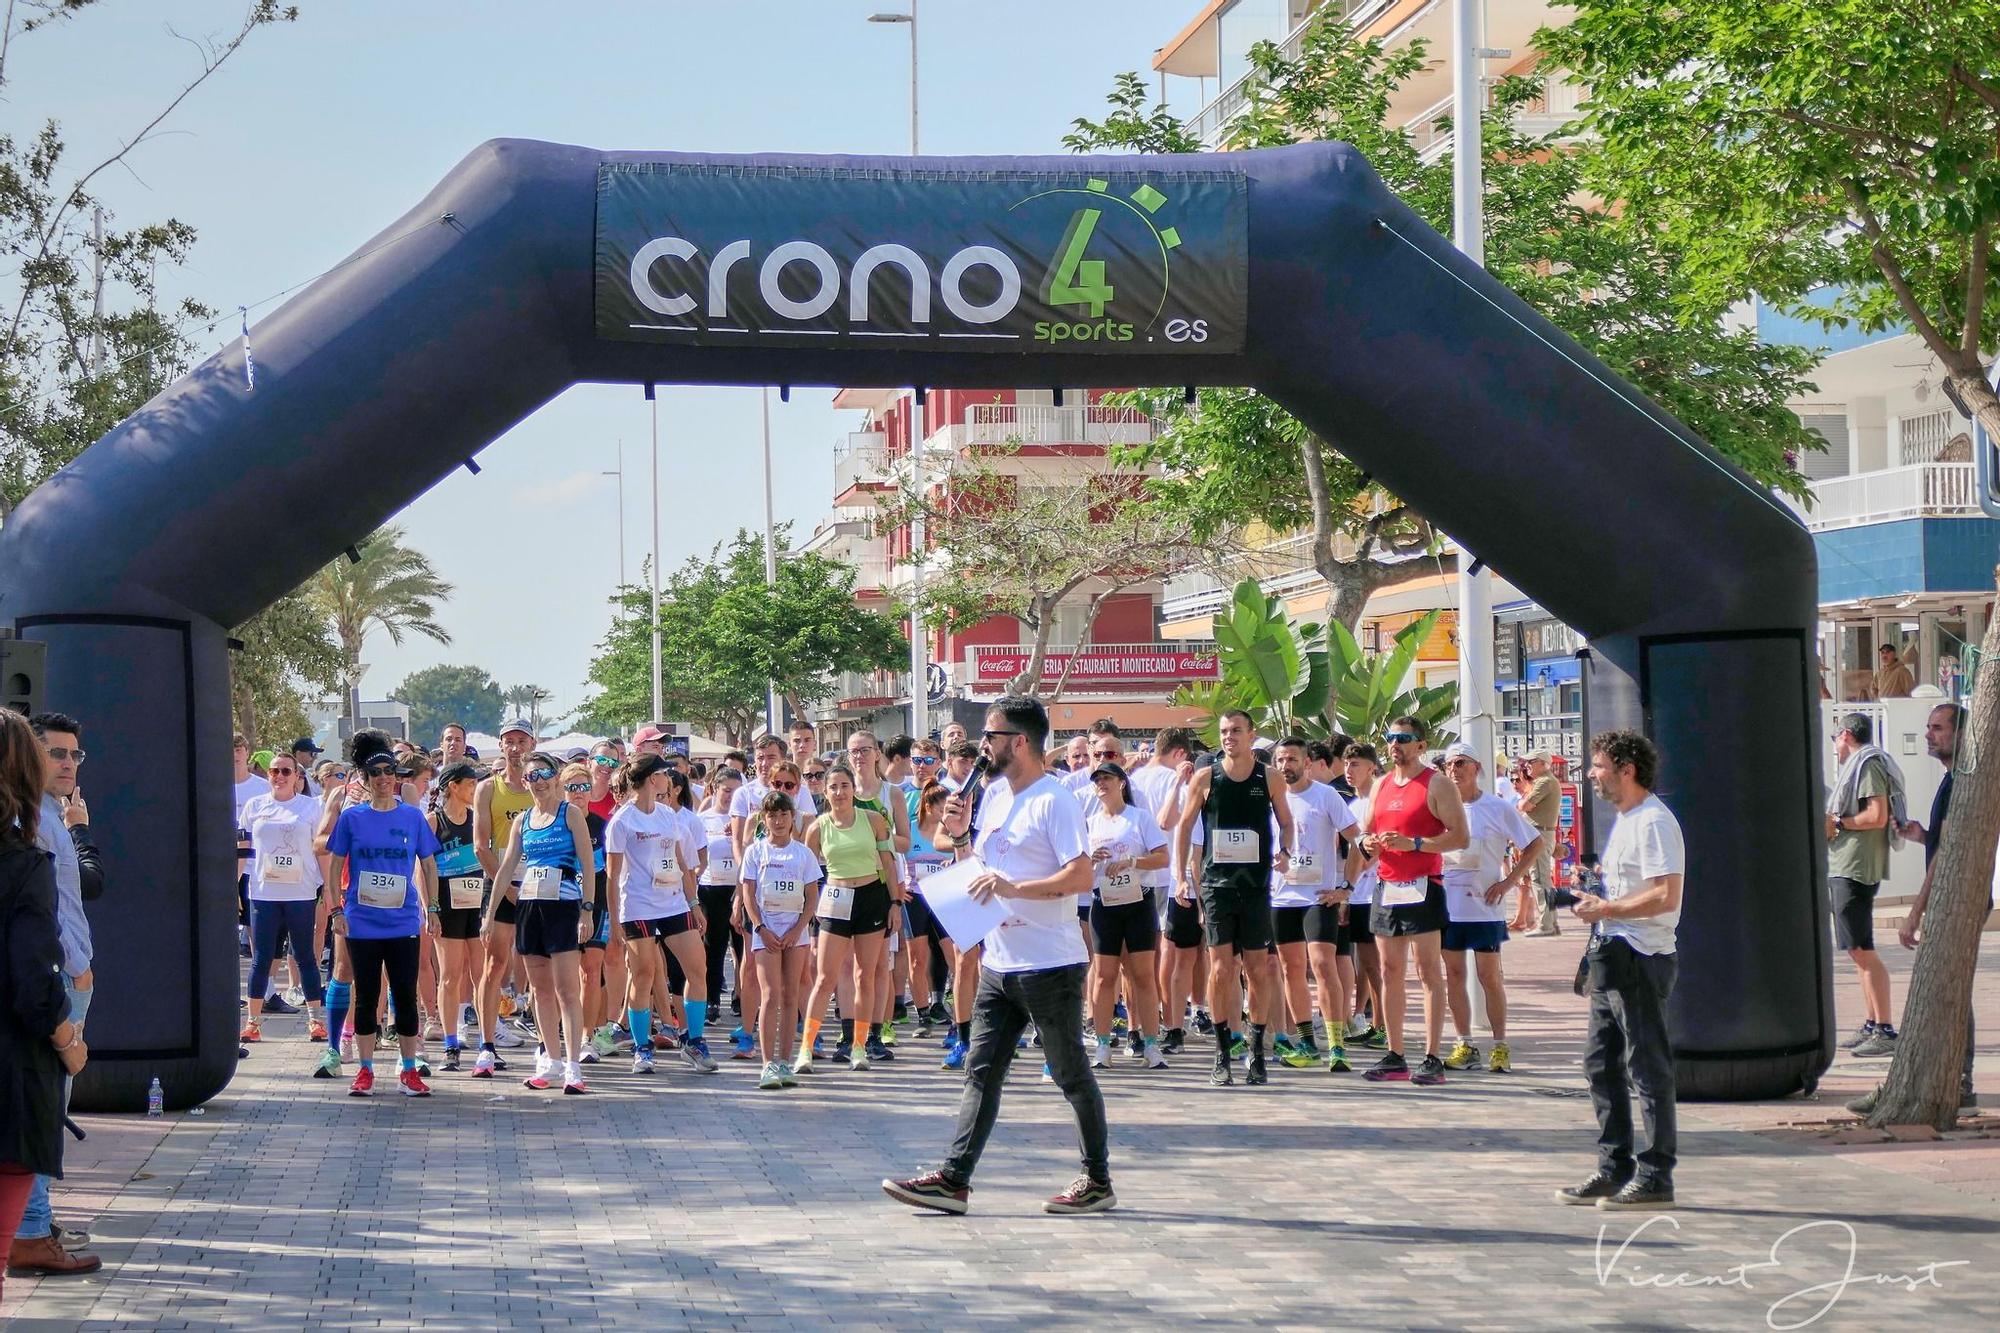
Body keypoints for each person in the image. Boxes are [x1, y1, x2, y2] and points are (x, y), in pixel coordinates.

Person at [882, 695, 1114, 1217]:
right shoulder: (993, 794)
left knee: (1069, 1071)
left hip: (1049, 962)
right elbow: (958, 851)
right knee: (980, 1071)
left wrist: (1016, 887)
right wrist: (959, 832)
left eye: (990, 736)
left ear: (1020, 741)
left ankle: (1097, 1178)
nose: (980, 746)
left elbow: (1080, 876)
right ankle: (954, 1180)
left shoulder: (1053, 799)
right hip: (999, 961)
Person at [1559, 729, 1685, 1211]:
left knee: (1647, 1067)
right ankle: (1615, 1168)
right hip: (1612, 954)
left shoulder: (1653, 821)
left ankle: (1657, 1176)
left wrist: (1608, 907)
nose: (1591, 774)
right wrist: (1596, 894)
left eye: (1598, 766)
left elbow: (1664, 894)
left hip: (1641, 956)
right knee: (1600, 1063)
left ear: (1625, 770)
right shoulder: (1628, 819)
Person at [5, 711, 100, 1280]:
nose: (67, 763)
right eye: (56, 753)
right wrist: (70, 976)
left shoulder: (49, 816)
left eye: (74, 755)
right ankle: (32, 1232)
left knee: (49, 1108)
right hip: (53, 981)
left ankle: (34, 1223)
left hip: (67, 977)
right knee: (42, 1111)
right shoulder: (27, 822)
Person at [1849, 704, 1977, 1117]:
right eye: (1927, 727)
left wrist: (1915, 912)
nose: (1929, 734)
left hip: (1953, 901)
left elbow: (1947, 856)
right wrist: (1921, 834)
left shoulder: (1963, 783)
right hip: (1951, 898)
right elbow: (1941, 844)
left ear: (1960, 734)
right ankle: (1953, 1079)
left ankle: (1956, 1081)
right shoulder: (1952, 779)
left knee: (1948, 989)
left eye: (1937, 728)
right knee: (1948, 988)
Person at [1174, 710, 1296, 1087]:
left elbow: (1287, 821)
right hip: (1216, 886)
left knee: (1258, 970)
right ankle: (1223, 1052)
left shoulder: (1269, 777)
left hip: (1256, 886)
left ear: (1250, 734)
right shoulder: (1205, 777)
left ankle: (1258, 1051)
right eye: (1224, 732)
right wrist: (1181, 878)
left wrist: (1286, 852)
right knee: (1221, 970)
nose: (1229, 737)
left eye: (1236, 731)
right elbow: (1184, 827)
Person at [325, 730, 442, 1098]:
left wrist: (433, 907)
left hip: (403, 920)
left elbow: (428, 863)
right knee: (366, 996)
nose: (383, 778)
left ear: (395, 776)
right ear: (366, 779)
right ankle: (364, 1069)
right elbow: (334, 865)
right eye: (375, 773)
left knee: (405, 995)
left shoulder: (411, 817)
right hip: (362, 921)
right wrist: (335, 909)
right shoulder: (352, 818)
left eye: (388, 771)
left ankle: (409, 1070)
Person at [1357, 717, 1469, 1086]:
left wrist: (1417, 844)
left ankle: (1433, 1055)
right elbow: (1367, 833)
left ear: (1421, 745)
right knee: (1389, 971)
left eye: (1403, 739)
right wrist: (1367, 844)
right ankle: (1395, 1053)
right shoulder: (1380, 784)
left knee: (1427, 972)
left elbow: (1460, 837)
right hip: (1387, 885)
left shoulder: (1437, 783)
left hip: (1424, 884)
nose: (1395, 745)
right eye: (1390, 738)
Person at [486, 751, 599, 1092]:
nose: (538, 782)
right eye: (531, 777)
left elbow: (587, 865)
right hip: (530, 906)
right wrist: (489, 915)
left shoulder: (571, 814)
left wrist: (588, 909)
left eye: (544, 774)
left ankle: (574, 1067)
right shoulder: (522, 820)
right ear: (525, 782)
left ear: (556, 777)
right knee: (540, 990)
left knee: (567, 990)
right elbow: (506, 869)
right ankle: (551, 1060)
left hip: (563, 907)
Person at [1438, 742, 1541, 1074]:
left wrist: (1508, 882)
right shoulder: (1437, 809)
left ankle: (1499, 1046)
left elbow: (1534, 844)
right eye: (1450, 765)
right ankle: (1464, 1043)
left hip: (1484, 906)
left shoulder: (1497, 807)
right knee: (1454, 975)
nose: (1455, 770)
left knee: (1489, 977)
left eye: (1461, 764)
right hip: (1447, 908)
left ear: (1477, 768)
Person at [608, 753, 712, 1076]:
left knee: (698, 968)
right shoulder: (622, 822)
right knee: (643, 975)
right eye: (665, 774)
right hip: (638, 906)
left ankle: (693, 1041)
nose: (670, 779)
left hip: (673, 902)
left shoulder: (668, 815)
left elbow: (682, 862)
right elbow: (612, 878)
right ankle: (642, 1047)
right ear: (652, 779)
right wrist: (614, 925)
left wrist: (693, 902)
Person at [1267, 737, 1360, 1071]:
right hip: (1281, 897)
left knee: (1323, 964)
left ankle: (1336, 1044)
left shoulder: (1325, 795)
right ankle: (1306, 1042)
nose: (1285, 766)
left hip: (1318, 897)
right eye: (1279, 760)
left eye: (1292, 759)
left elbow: (1357, 841)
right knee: (1291, 969)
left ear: (1307, 763)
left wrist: (1346, 887)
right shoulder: (1269, 800)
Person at [796, 766, 896, 1073]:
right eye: (833, 787)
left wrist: (894, 903)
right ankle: (806, 1049)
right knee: (825, 977)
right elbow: (806, 870)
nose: (839, 792)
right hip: (836, 899)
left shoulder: (874, 820)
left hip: (871, 897)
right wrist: (806, 906)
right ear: (824, 793)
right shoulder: (818, 827)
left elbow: (889, 864)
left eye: (844, 786)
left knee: (865, 975)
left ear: (853, 789)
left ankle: (859, 1046)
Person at [1826, 713, 1905, 1059]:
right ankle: (1872, 1023)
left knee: (1862, 950)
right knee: (1858, 950)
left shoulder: (1868, 765)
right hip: (1848, 866)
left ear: (1844, 735)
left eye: (1835, 739)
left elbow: (1877, 816)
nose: (1835, 748)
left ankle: (1885, 1028)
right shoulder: (1861, 765)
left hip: (1855, 868)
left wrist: (1839, 824)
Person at [1084, 760, 1171, 1069]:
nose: (1101, 785)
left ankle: (1151, 1045)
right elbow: (1078, 866)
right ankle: (1103, 1046)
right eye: (1097, 780)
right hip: (1104, 903)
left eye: (1107, 778)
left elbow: (1163, 858)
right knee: (1105, 976)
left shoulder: (1139, 818)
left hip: (1138, 901)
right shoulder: (1090, 822)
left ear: (1121, 782)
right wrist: (1090, 859)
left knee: (1143, 974)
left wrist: (1133, 861)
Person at [240, 752, 327, 1045]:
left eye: (286, 772)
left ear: (297, 778)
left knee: (305, 956)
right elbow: (243, 849)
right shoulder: (255, 806)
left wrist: (328, 888)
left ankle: (315, 1021)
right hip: (263, 893)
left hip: (300, 893)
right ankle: (252, 1023)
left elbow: (321, 850)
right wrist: (233, 886)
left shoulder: (311, 807)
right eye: (274, 771)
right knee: (261, 958)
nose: (279, 776)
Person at [739, 789, 821, 1088]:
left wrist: (799, 928)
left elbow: (812, 896)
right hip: (767, 933)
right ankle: (767, 1063)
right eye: (772, 815)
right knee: (770, 995)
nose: (778, 820)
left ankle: (785, 1061)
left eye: (783, 814)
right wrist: (760, 927)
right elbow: (748, 892)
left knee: (790, 996)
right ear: (764, 818)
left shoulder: (803, 854)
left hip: (794, 933)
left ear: (792, 817)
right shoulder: (756, 851)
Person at [470, 718, 537, 1074]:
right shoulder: (487, 789)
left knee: (542, 964)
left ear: (532, 744)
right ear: (501, 746)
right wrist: (506, 885)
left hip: (541, 885)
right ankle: (486, 1043)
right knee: (494, 964)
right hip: (500, 885)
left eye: (521, 741)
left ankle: (548, 1045)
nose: (515, 748)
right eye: (509, 741)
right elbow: (481, 846)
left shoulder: (544, 786)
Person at [427, 759, 487, 1072]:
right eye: (470, 784)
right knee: (450, 975)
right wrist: (431, 907)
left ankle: (486, 1044)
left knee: (481, 975)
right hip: (447, 907)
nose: (475, 789)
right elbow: (422, 868)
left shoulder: (478, 819)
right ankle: (451, 1044)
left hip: (476, 904)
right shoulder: (433, 822)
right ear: (453, 786)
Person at [1516, 750, 1563, 936]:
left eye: (1531, 762)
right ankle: (1551, 921)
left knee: (1540, 879)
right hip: (1541, 833)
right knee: (1543, 879)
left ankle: (1546, 925)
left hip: (1539, 834)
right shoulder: (1546, 781)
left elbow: (1524, 806)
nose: (1527, 766)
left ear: (1543, 763)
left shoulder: (1545, 782)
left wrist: (1522, 804)